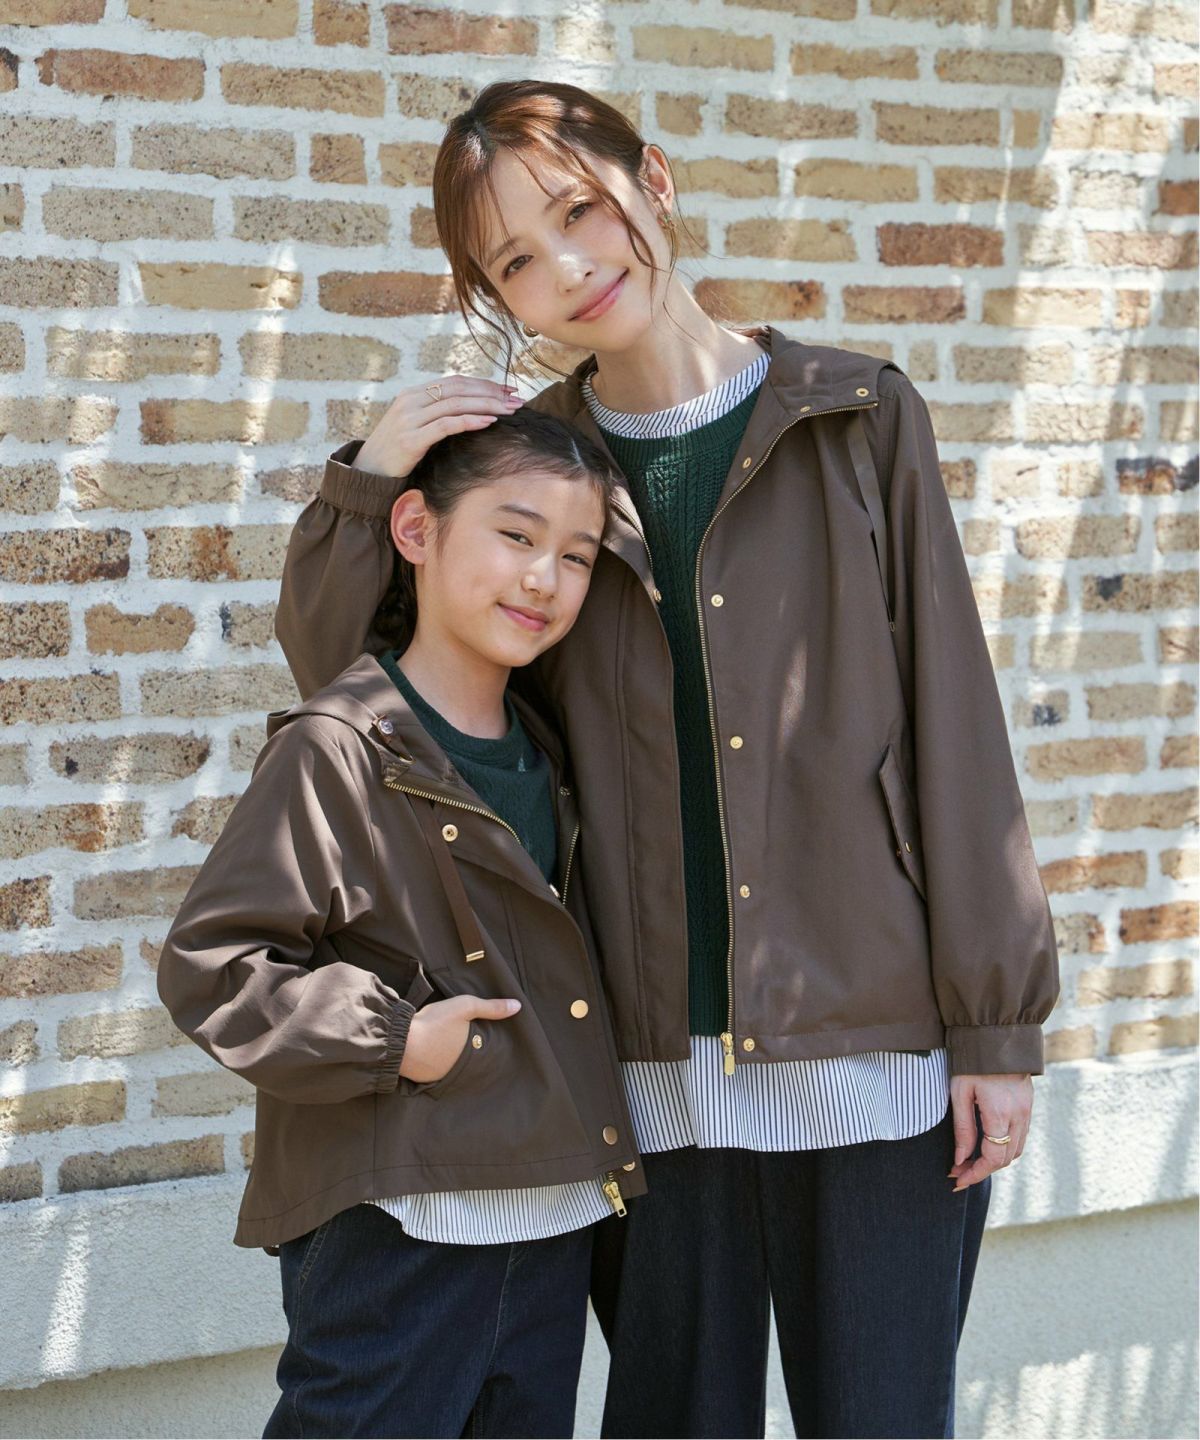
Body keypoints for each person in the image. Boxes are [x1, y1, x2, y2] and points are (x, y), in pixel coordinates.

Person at [273, 80, 1061, 1440]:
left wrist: (997, 1024)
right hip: (640, 1078)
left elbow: (956, 725)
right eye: (518, 261)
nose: (570, 268)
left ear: (655, 182)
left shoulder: (856, 416)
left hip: (873, 1057)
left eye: (581, 210)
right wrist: (371, 482)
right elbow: (355, 681)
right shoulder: (528, 474)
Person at [157, 409, 643, 1440]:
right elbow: (214, 964)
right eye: (514, 534)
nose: (544, 578)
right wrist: (396, 1038)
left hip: (550, 1215)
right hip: (401, 1222)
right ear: (417, 531)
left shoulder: (552, 750)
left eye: (576, 554)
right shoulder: (339, 746)